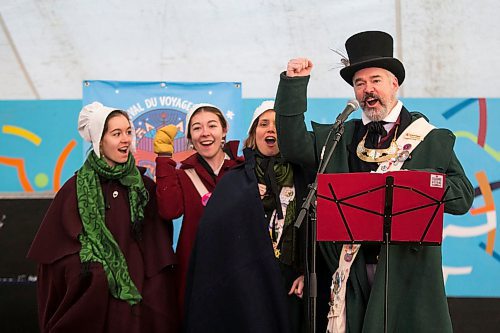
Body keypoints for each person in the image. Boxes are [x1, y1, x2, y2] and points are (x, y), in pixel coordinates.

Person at [274, 31, 474, 333]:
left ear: (395, 83)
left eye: (376, 80)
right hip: (351, 271)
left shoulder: (431, 139)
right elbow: (292, 144)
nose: (368, 90)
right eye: (360, 83)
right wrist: (293, 84)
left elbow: (463, 197)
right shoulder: (340, 136)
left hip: (407, 271)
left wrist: (422, 187)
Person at [27, 102, 179, 332]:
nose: (126, 139)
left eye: (128, 131)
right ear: (99, 140)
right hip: (99, 298)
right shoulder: (75, 190)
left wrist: (154, 284)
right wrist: (94, 271)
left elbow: (159, 244)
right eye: (116, 134)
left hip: (140, 297)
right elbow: (55, 257)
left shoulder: (143, 186)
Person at [183, 101, 312, 333]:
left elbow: (315, 232)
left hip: (292, 286)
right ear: (253, 135)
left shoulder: (304, 176)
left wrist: (307, 272)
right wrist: (247, 202)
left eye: (278, 124)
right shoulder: (235, 181)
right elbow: (215, 240)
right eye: (263, 124)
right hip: (248, 286)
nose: (271, 129)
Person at [153, 103, 243, 318]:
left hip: (238, 268)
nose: (205, 133)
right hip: (196, 270)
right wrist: (164, 159)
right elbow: (169, 211)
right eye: (196, 128)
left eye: (212, 125)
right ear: (190, 138)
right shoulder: (183, 175)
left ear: (224, 130)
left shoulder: (243, 169)